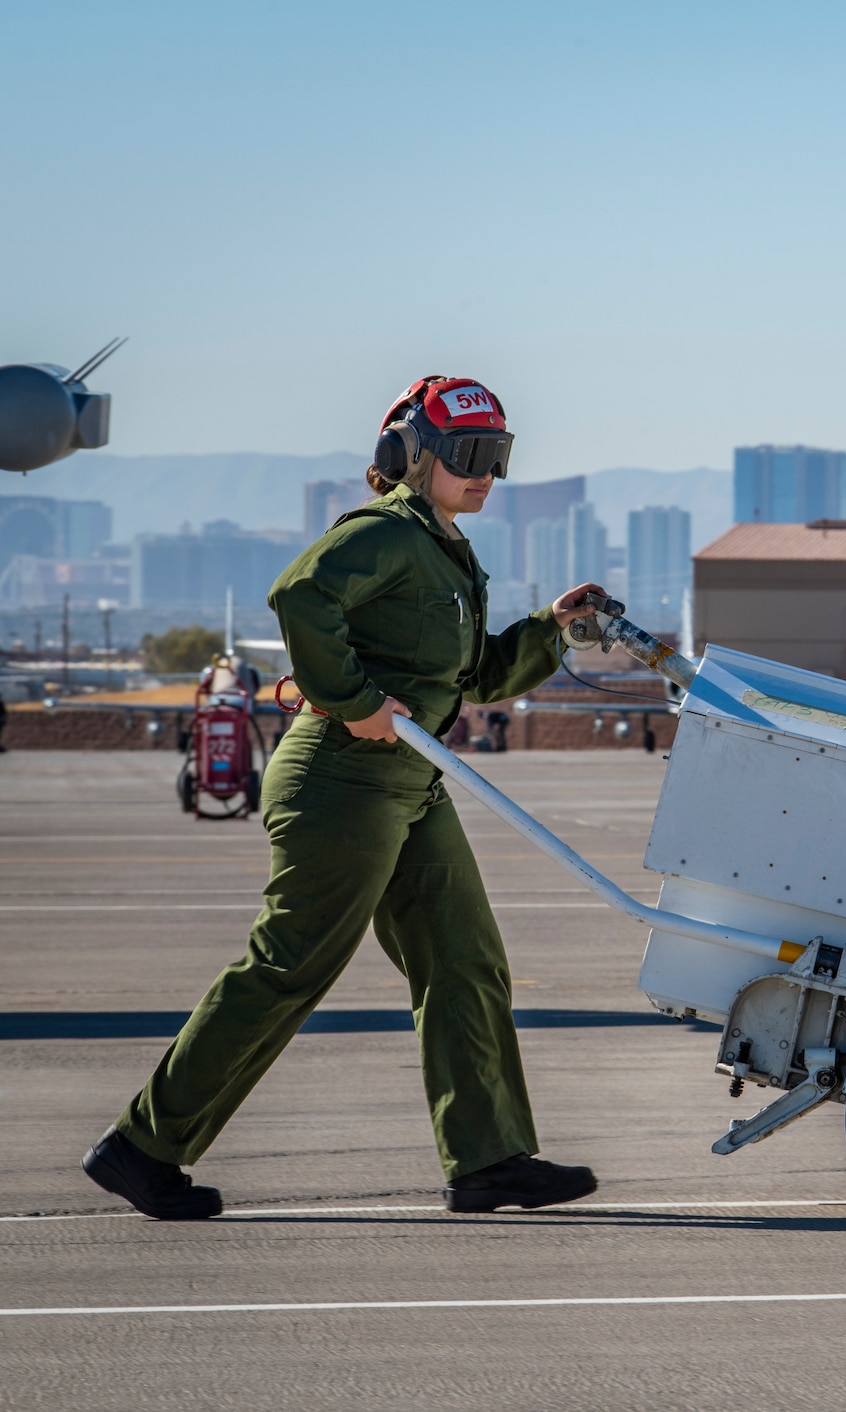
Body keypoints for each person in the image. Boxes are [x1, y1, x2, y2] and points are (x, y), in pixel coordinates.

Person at [84, 375, 608, 1219]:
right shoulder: (384, 533)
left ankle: (490, 1160)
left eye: (498, 457)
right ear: (413, 456)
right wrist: (357, 702)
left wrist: (553, 627)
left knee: (462, 957)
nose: (487, 475)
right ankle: (142, 1146)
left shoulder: (444, 551)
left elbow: (473, 677)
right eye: (471, 456)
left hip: (410, 781)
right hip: (341, 779)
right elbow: (301, 594)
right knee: (291, 965)